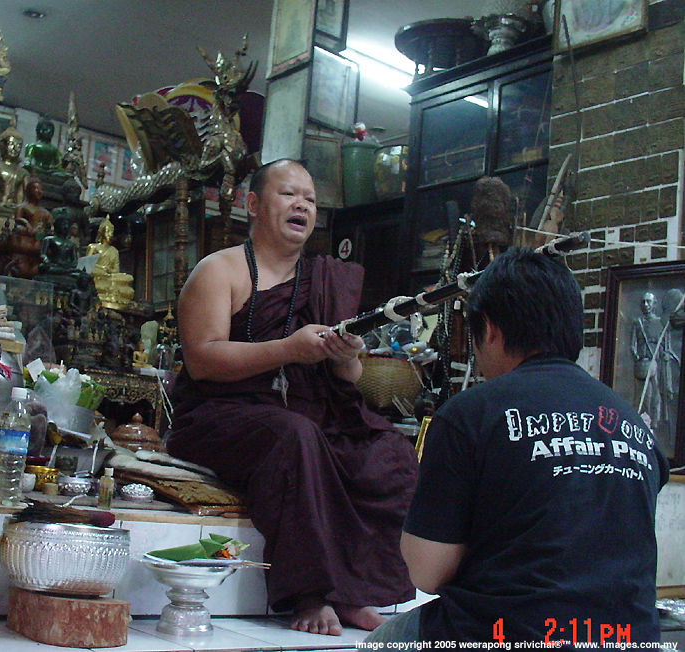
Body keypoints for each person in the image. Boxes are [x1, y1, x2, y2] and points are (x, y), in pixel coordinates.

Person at [166, 159, 418, 636]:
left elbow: (350, 377)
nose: (302, 204)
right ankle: (310, 594)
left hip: (304, 413)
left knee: (389, 451)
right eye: (288, 194)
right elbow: (201, 360)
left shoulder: (322, 280)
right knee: (296, 436)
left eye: (311, 199)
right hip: (217, 417)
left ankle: (355, 592)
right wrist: (288, 349)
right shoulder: (219, 270)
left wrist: (345, 356)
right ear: (253, 205)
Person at [366, 247, 669, 645]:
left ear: (489, 329)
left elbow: (427, 572)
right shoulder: (633, 425)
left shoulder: (469, 415)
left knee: (381, 642)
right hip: (627, 638)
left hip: (506, 633)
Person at [631, 291, 678, 451]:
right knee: (641, 396)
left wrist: (665, 355)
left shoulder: (660, 323)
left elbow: (666, 347)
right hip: (642, 364)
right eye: (643, 302)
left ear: (654, 304)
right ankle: (641, 424)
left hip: (656, 365)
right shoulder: (638, 323)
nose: (645, 305)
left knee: (655, 396)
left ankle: (654, 424)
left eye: (648, 302)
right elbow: (633, 345)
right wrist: (638, 356)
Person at [86, 216, 134, 308]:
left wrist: (109, 271)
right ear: (102, 232)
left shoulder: (114, 251)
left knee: (128, 277)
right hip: (97, 276)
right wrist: (102, 269)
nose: (110, 235)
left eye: (112, 232)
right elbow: (87, 267)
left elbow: (116, 270)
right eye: (108, 232)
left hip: (109, 277)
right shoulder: (93, 247)